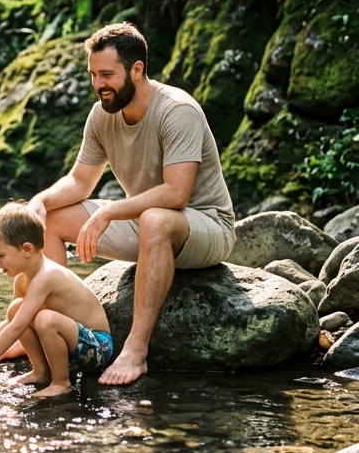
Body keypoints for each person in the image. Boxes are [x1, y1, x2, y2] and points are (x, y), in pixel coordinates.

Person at [28, 22, 235, 386]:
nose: (98, 84)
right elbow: (80, 181)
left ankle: (135, 350)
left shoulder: (177, 110)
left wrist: (110, 211)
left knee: (155, 218)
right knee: (53, 218)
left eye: (107, 75)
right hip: (147, 223)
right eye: (93, 75)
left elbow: (176, 194)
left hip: (207, 225)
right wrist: (40, 202)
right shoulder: (102, 114)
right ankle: (62, 334)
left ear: (137, 69)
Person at [0, 202, 112, 398]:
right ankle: (41, 372)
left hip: (98, 347)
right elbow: (14, 321)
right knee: (15, 308)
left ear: (26, 249)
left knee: (45, 319)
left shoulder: (46, 276)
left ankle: (61, 383)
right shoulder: (22, 278)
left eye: (0, 255)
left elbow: (17, 327)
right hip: (71, 344)